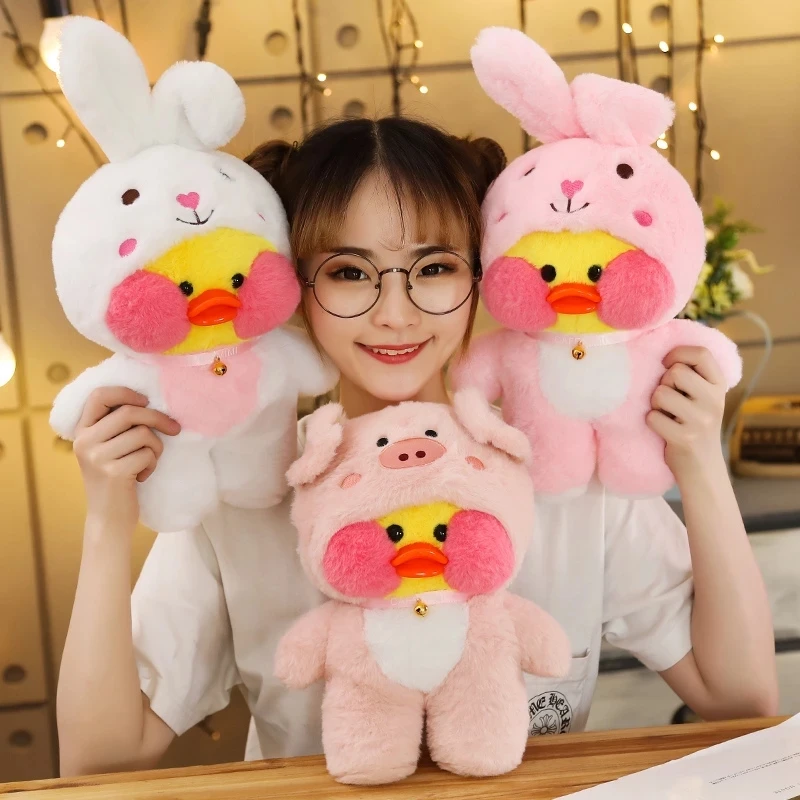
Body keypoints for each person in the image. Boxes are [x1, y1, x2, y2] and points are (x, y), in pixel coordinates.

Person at [56, 116, 777, 777]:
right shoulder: (245, 495)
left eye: (434, 268)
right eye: (348, 272)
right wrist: (107, 523)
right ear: (296, 288)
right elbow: (101, 758)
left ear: (481, 275)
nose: (395, 314)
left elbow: (738, 698)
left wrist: (698, 463)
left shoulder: (565, 475)